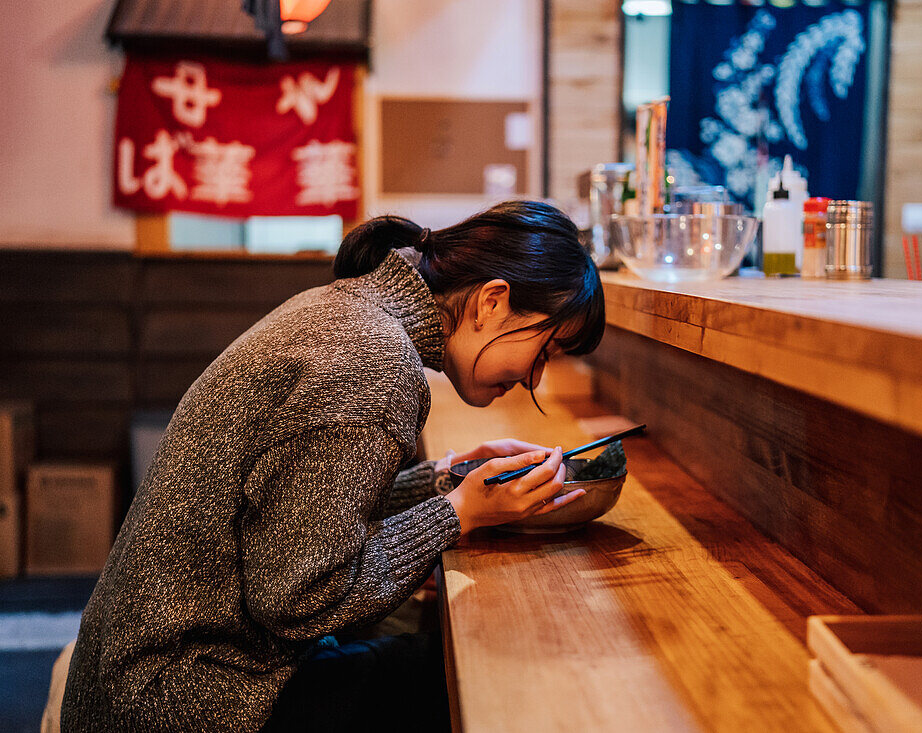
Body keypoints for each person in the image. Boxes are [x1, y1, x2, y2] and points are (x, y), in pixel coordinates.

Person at [60, 200, 605, 732]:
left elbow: (293, 511)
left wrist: (445, 480)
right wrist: (456, 514)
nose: (535, 378)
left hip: (130, 674)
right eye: (546, 350)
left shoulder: (350, 312)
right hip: (186, 695)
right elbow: (300, 600)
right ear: (492, 301)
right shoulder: (373, 361)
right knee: (467, 680)